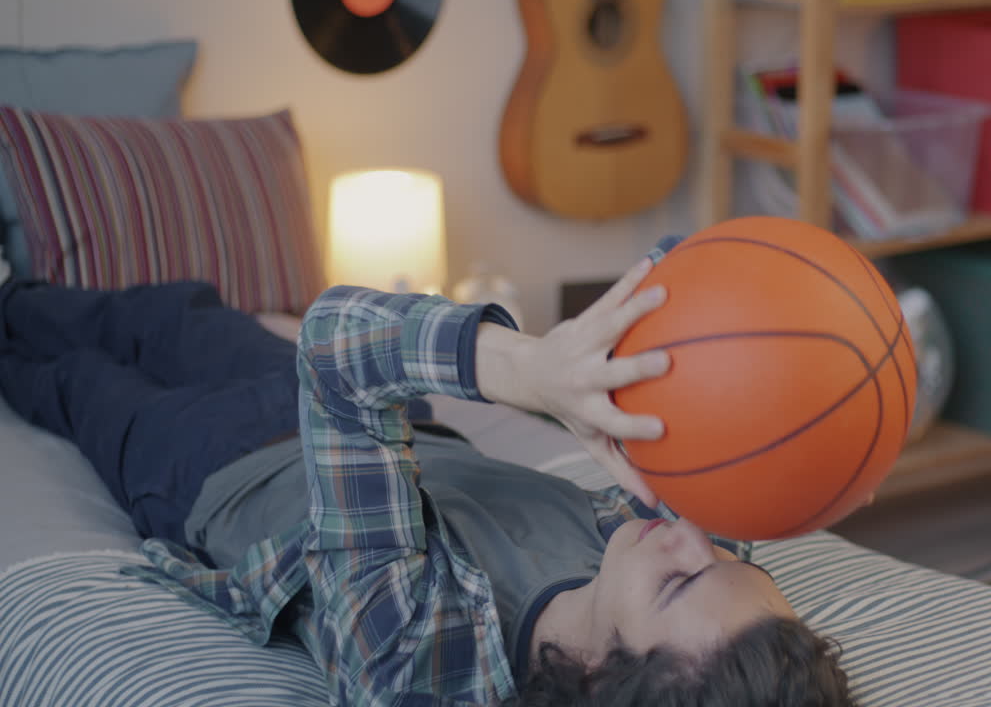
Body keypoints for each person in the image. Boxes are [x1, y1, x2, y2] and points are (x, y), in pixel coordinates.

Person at [0, 246, 854, 706]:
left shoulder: (418, 658)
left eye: (680, 581)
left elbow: (335, 338)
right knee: (169, 313)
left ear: (604, 679)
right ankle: (19, 289)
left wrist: (526, 367)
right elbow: (707, 338)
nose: (694, 537)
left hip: (220, 468)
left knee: (72, 380)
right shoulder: (672, 571)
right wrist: (842, 440)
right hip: (392, 425)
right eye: (733, 561)